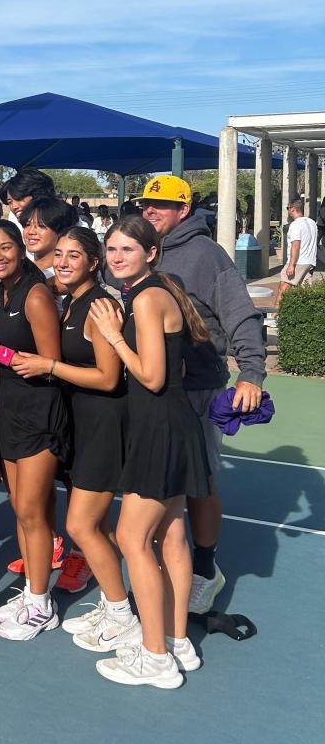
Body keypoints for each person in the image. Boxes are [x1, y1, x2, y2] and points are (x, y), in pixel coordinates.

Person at [89, 216, 211, 688]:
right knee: (173, 536)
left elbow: (154, 376)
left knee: (132, 538)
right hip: (173, 426)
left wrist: (114, 335)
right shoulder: (159, 292)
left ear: (151, 254)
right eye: (112, 250)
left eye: (127, 250)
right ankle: (177, 641)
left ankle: (155, 655)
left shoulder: (145, 298)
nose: (117, 258)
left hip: (160, 429)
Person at [139, 175, 265, 614]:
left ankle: (206, 570)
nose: (150, 210)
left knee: (201, 482)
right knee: (157, 483)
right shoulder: (140, 250)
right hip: (149, 388)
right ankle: (160, 567)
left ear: (184, 210)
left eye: (161, 205)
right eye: (146, 204)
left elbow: (240, 314)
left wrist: (251, 371)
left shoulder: (207, 255)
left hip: (198, 388)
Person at [11, 227, 136, 651]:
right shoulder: (69, 302)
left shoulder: (98, 306)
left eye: (74, 256)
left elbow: (107, 377)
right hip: (79, 424)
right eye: (58, 254)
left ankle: (122, 614)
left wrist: (48, 364)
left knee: (80, 524)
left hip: (103, 423)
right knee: (96, 524)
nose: (62, 262)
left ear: (93, 262)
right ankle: (110, 601)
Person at [0, 220, 68, 640]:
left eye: (5, 247)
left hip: (41, 413)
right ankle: (32, 592)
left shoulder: (36, 295)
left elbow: (50, 363)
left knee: (29, 511)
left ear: (21, 249)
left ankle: (42, 604)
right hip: (7, 411)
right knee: (26, 512)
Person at [19, 197, 79, 298]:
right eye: (27, 225)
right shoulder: (19, 269)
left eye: (41, 226)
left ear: (61, 231)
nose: (30, 232)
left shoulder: (71, 278)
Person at [278, 197, 319, 300]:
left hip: (299, 262)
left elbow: (296, 245)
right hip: (310, 261)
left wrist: (291, 265)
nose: (288, 211)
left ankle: (275, 314)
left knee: (283, 287)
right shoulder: (312, 223)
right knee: (305, 292)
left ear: (292, 209)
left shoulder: (295, 225)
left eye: (288, 208)